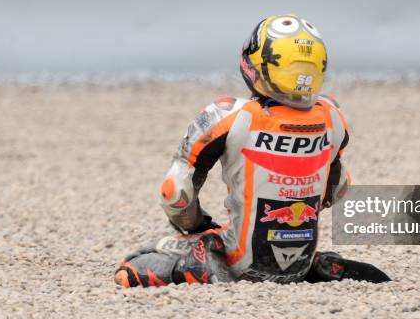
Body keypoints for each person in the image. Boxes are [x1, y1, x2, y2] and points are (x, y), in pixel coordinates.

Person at [114, 14, 390, 287]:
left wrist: (198, 226)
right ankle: (308, 265)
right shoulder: (333, 118)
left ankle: (205, 263)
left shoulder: (229, 116)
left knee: (133, 265)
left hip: (240, 261)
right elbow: (339, 188)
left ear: (256, 64)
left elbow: (175, 193)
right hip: (300, 263)